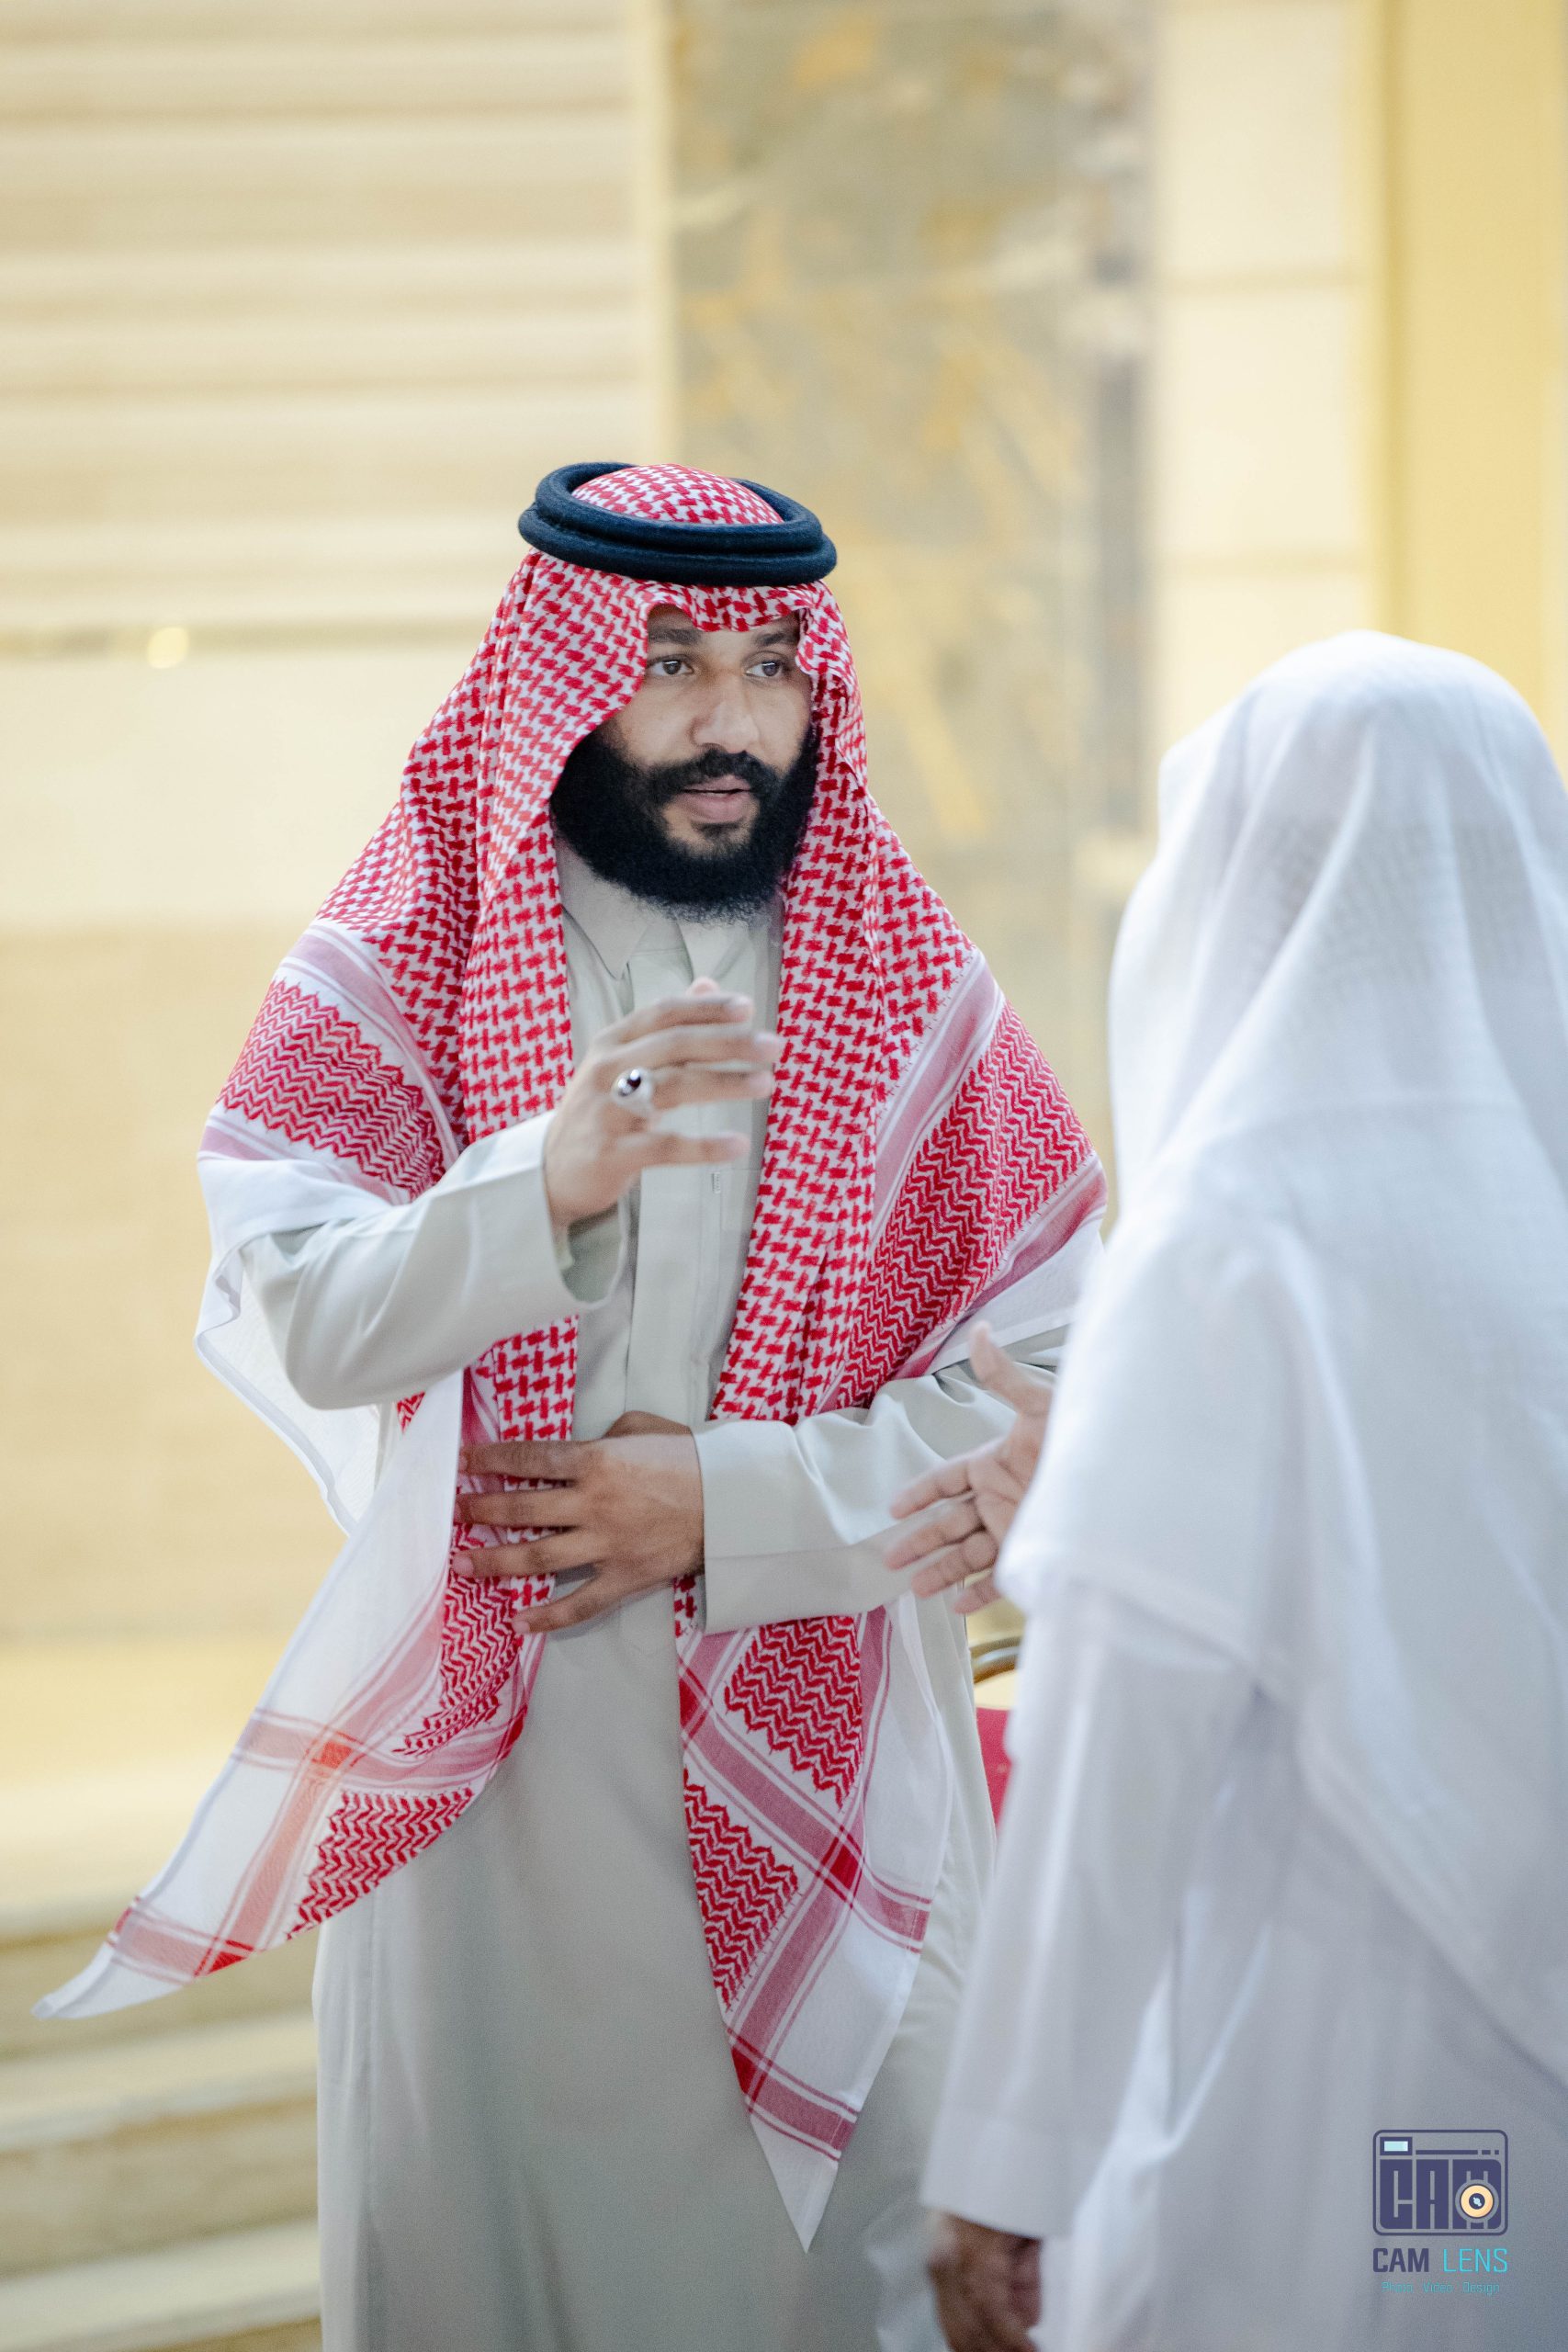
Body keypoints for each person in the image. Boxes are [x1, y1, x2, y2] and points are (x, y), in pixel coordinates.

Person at [39, 462, 1107, 2352]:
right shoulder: (410, 950)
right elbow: (303, 1311)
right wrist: (538, 1181)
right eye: (672, 662)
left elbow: (1065, 1367)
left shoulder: (905, 976)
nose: (730, 720)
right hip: (507, 1822)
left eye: (771, 666)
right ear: (564, 678)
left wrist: (727, 1504)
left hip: (844, 1770)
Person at [895, 633, 1568, 2349]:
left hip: (1323, 2041)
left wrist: (1004, 2164)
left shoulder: (1240, 1231)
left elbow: (1126, 1729)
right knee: (1477, 2294)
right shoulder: (1541, 1198)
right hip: (1514, 2079)